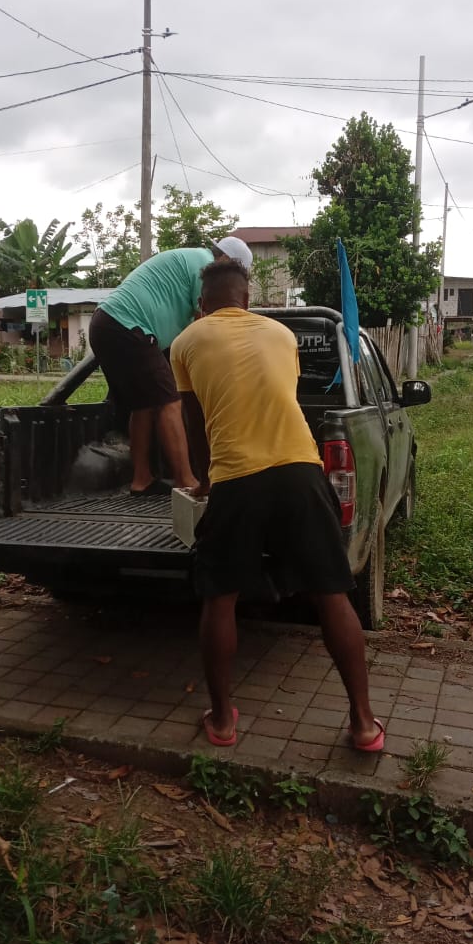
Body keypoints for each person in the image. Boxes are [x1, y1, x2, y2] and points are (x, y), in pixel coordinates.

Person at [170, 258, 383, 752]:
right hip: (300, 470)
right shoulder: (282, 336)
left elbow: (196, 422)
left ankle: (222, 721)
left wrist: (205, 480)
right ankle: (363, 723)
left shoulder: (185, 343)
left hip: (236, 478)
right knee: (331, 593)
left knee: (220, 598)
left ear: (201, 306)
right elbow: (278, 395)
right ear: (247, 300)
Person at [88, 237, 253, 496]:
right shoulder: (205, 267)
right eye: (233, 272)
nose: (230, 281)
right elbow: (208, 325)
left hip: (106, 324)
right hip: (129, 326)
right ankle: (186, 480)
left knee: (143, 405)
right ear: (224, 260)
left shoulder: (190, 259)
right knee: (170, 401)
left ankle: (141, 479)